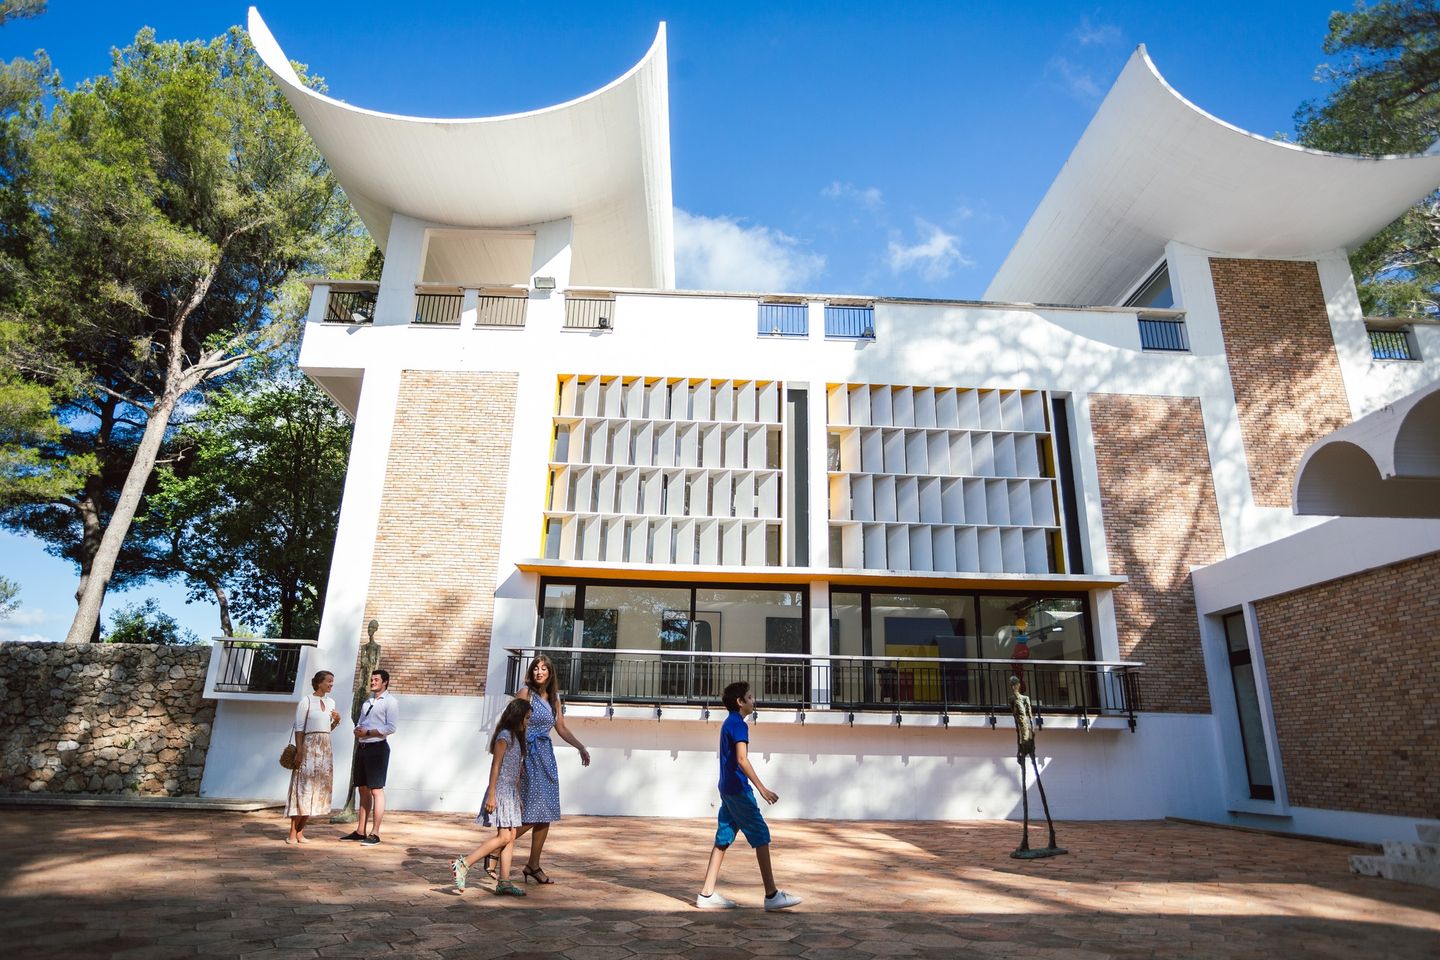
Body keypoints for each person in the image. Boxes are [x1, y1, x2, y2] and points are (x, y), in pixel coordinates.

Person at [695, 680, 801, 911]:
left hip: (727, 788)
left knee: (723, 838)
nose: (754, 701)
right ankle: (772, 895)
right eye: (750, 697)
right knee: (760, 834)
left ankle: (706, 894)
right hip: (739, 789)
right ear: (740, 702)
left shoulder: (729, 723)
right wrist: (762, 789)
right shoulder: (739, 726)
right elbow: (742, 760)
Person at [508, 654, 590, 884]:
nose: (539, 672)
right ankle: (494, 850)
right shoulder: (525, 693)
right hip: (528, 755)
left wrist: (580, 746)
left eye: (543, 668)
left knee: (547, 813)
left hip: (546, 756)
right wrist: (516, 757)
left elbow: (561, 727)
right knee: (534, 812)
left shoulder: (554, 698)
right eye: (535, 668)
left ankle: (533, 865)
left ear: (550, 673)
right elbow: (513, 725)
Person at [450, 698, 532, 896]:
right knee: (504, 836)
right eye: (527, 718)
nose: (528, 722)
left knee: (511, 836)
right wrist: (492, 795)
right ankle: (464, 863)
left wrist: (517, 795)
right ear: (517, 716)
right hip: (501, 790)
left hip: (511, 792)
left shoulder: (516, 737)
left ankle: (504, 881)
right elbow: (495, 766)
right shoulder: (504, 736)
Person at [340, 668, 399, 846]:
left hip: (378, 748)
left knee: (376, 790)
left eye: (376, 680)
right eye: (372, 679)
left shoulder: (390, 702)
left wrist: (369, 732)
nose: (372, 682)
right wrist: (358, 730)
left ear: (385, 682)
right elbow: (361, 722)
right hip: (363, 747)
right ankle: (360, 831)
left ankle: (375, 833)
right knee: (362, 789)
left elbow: (391, 727)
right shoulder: (367, 702)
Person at [285, 670, 341, 844]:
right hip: (308, 747)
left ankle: (301, 832)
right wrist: (300, 752)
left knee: (317, 789)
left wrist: (336, 721)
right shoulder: (306, 701)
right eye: (329, 681)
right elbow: (299, 728)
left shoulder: (331, 702)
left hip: (325, 749)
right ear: (319, 682)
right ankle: (292, 833)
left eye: (333, 681)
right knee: (303, 788)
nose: (331, 684)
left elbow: (326, 729)